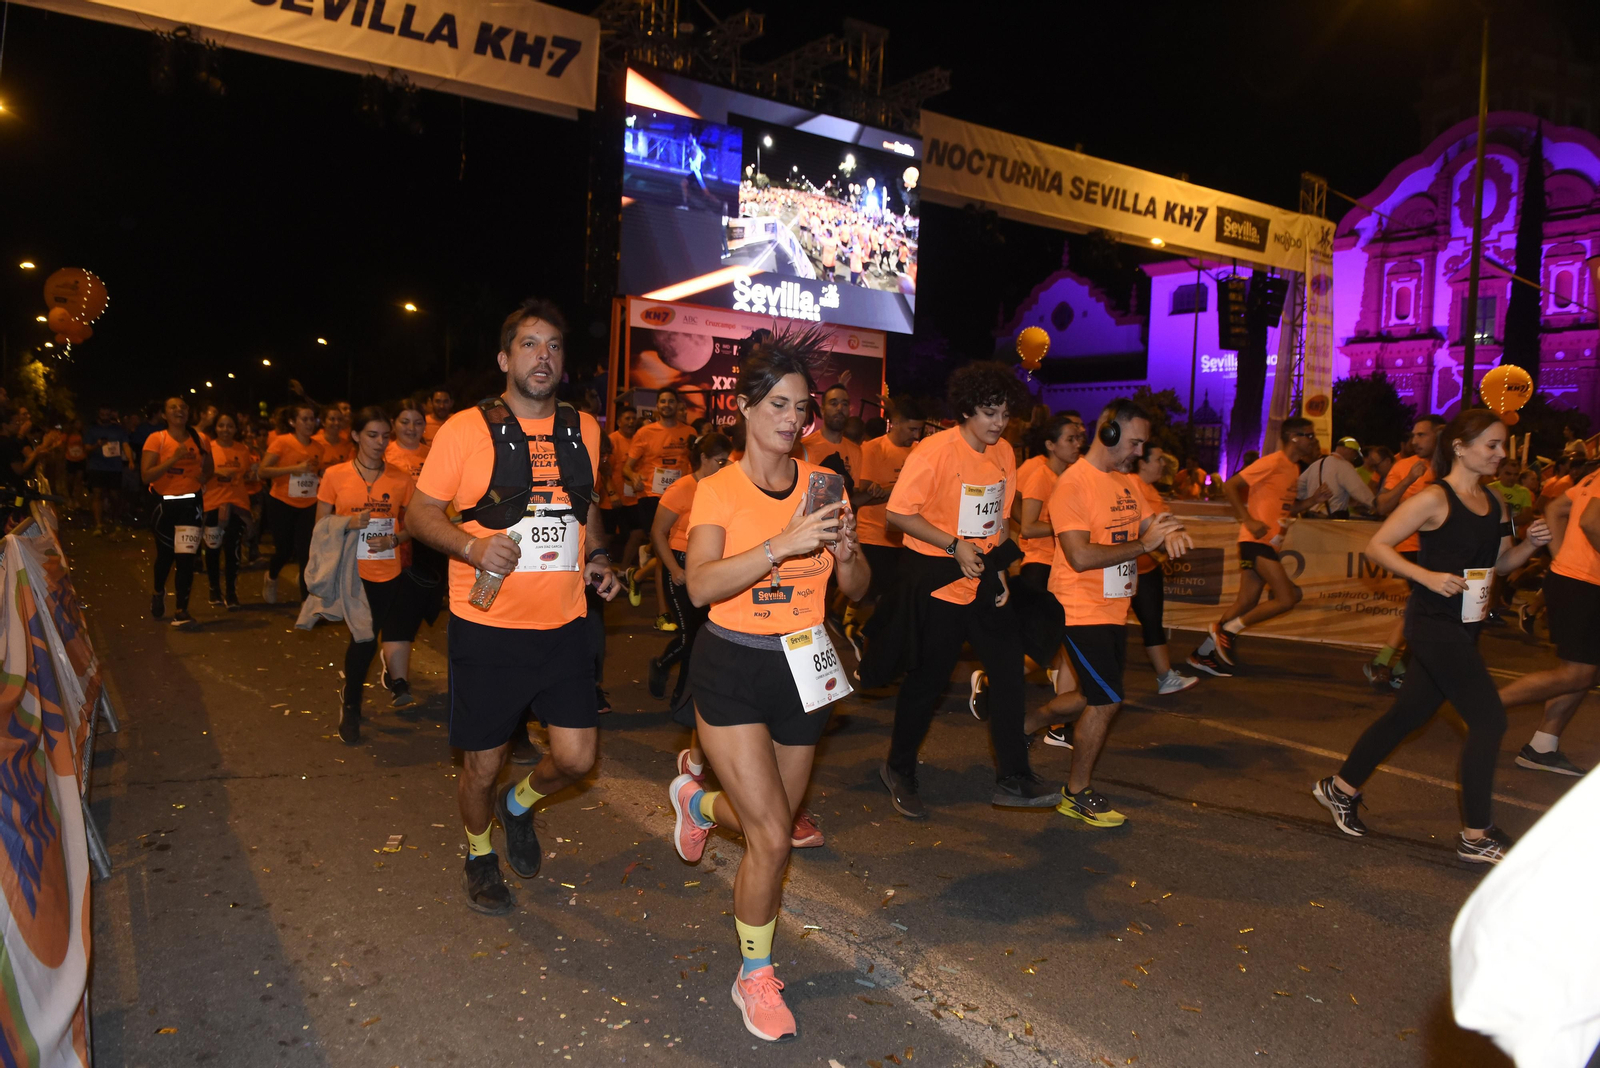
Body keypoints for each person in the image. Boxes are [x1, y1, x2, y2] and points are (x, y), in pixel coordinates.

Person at [668, 329, 869, 1042]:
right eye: (777, 404)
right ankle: (754, 974)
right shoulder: (716, 487)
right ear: (746, 409)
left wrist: (846, 554)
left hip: (804, 665)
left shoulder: (828, 486)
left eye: (801, 407)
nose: (792, 418)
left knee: (772, 825)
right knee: (775, 841)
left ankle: (696, 798)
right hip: (732, 667)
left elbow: (858, 586)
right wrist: (779, 546)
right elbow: (699, 585)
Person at [406, 298, 619, 916]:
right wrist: (472, 546)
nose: (542, 356)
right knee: (482, 762)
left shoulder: (586, 428)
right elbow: (419, 514)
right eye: (529, 344)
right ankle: (479, 854)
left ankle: (518, 806)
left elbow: (587, 507)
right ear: (504, 358)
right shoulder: (465, 430)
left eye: (553, 345)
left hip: (565, 625)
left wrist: (598, 560)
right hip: (489, 627)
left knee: (577, 758)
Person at [1314, 409, 1549, 864]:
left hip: (1467, 623)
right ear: (1460, 447)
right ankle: (1476, 836)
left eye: (1503, 446)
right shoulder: (1434, 499)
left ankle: (1338, 789)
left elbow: (1501, 565)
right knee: (1489, 720)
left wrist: (1533, 543)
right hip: (1434, 624)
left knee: (1408, 714)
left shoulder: (1495, 502)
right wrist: (1427, 575)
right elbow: (1377, 544)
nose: (1501, 454)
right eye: (1493, 445)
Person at [877, 362, 1061, 818]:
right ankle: (899, 768)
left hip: (982, 578)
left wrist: (999, 575)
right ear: (965, 410)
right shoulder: (935, 451)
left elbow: (996, 523)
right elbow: (898, 513)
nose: (998, 423)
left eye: (1003, 414)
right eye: (988, 413)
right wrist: (953, 545)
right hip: (937, 579)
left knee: (1008, 673)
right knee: (929, 681)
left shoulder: (1004, 454)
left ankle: (1013, 777)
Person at [1045, 400, 1193, 826]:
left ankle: (1027, 720)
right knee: (1108, 699)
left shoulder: (1125, 483)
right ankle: (1076, 793)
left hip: (1113, 609)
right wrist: (1146, 546)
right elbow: (1078, 555)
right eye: (1134, 442)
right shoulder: (1074, 483)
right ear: (1108, 432)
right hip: (1078, 605)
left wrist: (1171, 532)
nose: (1139, 452)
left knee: (1090, 696)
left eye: (1143, 444)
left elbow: (1151, 523)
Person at [1188, 417, 1328, 677]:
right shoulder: (1273, 461)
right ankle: (1227, 631)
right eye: (1309, 435)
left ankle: (1202, 655)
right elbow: (1231, 485)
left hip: (1267, 545)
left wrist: (1312, 501)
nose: (1313, 440)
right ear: (1294, 438)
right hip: (1255, 543)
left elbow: (1287, 507)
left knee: (1246, 601)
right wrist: (1248, 520)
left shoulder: (1292, 468)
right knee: (1288, 597)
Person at [316, 407, 424, 741]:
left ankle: (351, 696)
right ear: (355, 436)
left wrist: (395, 537)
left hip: (386, 571)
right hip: (349, 571)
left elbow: (418, 523)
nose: (379, 442)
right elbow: (320, 526)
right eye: (371, 435)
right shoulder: (335, 475)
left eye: (383, 436)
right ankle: (351, 706)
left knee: (365, 636)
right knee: (363, 637)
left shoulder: (400, 478)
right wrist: (349, 522)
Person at [1493, 463, 1600, 776]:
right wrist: (1564, 558)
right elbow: (1592, 523)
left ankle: (1543, 745)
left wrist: (1560, 554)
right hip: (1583, 584)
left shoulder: (1592, 474)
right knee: (1577, 674)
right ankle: (1484, 707)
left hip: (1579, 580)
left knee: (1586, 670)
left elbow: (1555, 507)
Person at [648, 433, 731, 706]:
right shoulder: (682, 488)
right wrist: (673, 569)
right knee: (687, 639)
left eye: (727, 462)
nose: (724, 467)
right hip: (679, 564)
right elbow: (658, 532)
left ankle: (680, 700)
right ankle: (661, 665)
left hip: (706, 566)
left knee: (698, 639)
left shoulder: (722, 488)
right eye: (719, 461)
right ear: (703, 458)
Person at [1365, 416, 1447, 689]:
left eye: (1422, 435)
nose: (1415, 441)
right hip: (1411, 549)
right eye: (1414, 435)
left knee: (1427, 611)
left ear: (1440, 435)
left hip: (1442, 550)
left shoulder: (1451, 468)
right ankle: (1390, 664)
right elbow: (1381, 506)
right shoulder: (1403, 466)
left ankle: (1397, 667)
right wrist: (1409, 480)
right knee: (1425, 609)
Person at [1127, 441, 1199, 694]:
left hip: (1146, 569)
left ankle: (1165, 677)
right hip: (1121, 569)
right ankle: (1065, 671)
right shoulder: (1130, 485)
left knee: (1152, 622)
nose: (1163, 464)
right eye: (1158, 459)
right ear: (1142, 462)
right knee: (1102, 628)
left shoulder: (1152, 491)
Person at [141, 396, 215, 628]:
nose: (178, 411)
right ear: (164, 415)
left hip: (191, 504)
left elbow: (209, 466)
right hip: (164, 505)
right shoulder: (157, 439)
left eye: (182, 407)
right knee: (166, 557)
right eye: (172, 407)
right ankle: (158, 591)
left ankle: (181, 610)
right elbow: (146, 476)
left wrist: (204, 476)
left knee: (186, 559)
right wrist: (173, 458)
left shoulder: (200, 438)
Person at [259, 401, 325, 603]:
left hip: (308, 503)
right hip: (282, 502)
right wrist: (291, 470)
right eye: (304, 419)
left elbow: (317, 472)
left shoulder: (318, 447)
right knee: (285, 550)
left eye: (312, 419)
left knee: (306, 551)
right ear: (292, 421)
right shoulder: (282, 442)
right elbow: (263, 471)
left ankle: (307, 602)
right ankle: (271, 576)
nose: (309, 423)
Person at [202, 413, 254, 610]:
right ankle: (214, 589)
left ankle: (231, 592)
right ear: (215, 428)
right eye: (221, 426)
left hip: (237, 504)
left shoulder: (243, 449)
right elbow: (198, 476)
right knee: (213, 548)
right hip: (213, 504)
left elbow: (247, 473)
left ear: (235, 428)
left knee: (233, 549)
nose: (225, 430)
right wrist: (216, 472)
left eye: (230, 426)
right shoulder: (207, 449)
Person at [83, 405, 130, 534]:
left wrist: (130, 460)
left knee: (115, 496)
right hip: (97, 467)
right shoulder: (92, 430)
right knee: (97, 494)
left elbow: (125, 445)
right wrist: (97, 445)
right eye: (102, 415)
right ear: (98, 414)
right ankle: (98, 524)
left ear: (111, 415)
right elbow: (86, 449)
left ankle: (116, 520)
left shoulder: (118, 430)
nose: (105, 417)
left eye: (107, 415)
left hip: (114, 468)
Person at [1300, 435, 1373, 518]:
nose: (1354, 458)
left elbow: (1298, 489)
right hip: (1331, 519)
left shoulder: (1316, 464)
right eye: (1355, 454)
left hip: (1311, 517)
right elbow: (1360, 491)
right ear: (1349, 450)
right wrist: (1376, 505)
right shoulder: (1344, 466)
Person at [801, 384, 862, 482]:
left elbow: (854, 492)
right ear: (822, 410)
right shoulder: (804, 447)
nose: (840, 408)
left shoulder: (855, 451)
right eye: (834, 403)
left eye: (845, 404)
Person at [384, 399, 431, 479]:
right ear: (393, 424)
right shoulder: (383, 455)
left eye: (418, 423)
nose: (411, 428)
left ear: (424, 425)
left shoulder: (433, 455)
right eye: (405, 422)